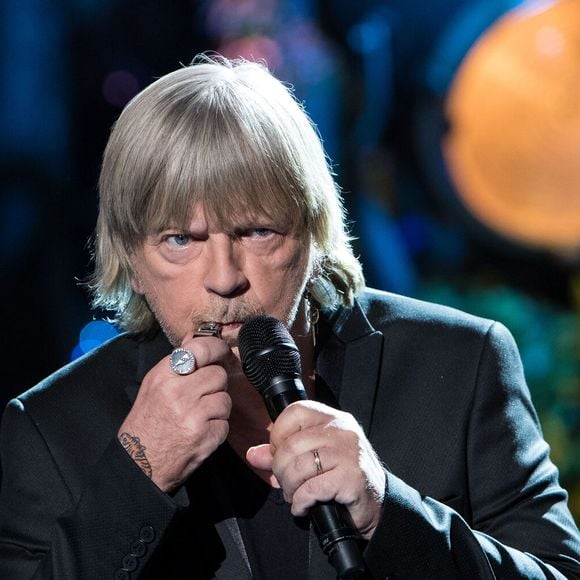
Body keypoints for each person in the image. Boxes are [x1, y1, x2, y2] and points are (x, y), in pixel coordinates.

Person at [0, 54, 578, 580]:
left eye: (256, 231)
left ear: (313, 233)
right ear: (129, 254)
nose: (224, 277)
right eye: (180, 240)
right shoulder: (51, 428)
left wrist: (390, 512)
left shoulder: (462, 362)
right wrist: (136, 477)